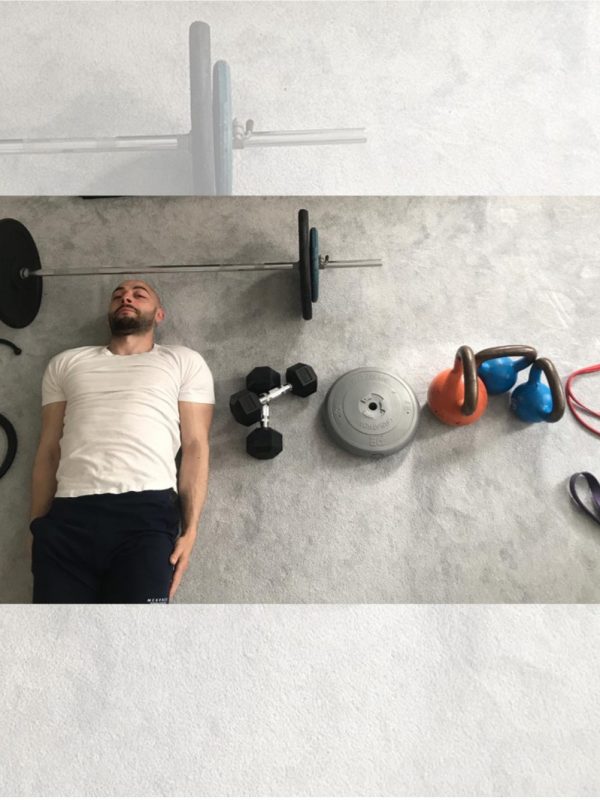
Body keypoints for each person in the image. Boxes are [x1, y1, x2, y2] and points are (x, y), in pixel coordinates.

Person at [28, 279, 215, 603]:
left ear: (159, 314)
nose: (126, 297)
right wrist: (35, 525)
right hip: (68, 515)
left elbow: (196, 445)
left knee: (137, 632)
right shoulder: (65, 363)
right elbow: (48, 449)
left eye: (138, 295)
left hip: (147, 513)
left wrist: (191, 531)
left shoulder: (184, 361)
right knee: (57, 633)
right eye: (118, 295)